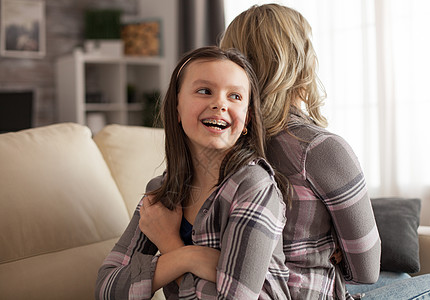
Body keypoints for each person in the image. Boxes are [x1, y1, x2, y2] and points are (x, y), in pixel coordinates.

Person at [220, 3, 430, 300]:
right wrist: (332, 245)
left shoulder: (223, 143)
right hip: (306, 293)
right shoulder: (319, 148)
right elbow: (366, 271)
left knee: (400, 276)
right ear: (300, 62)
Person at [95, 46, 291, 299]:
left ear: (247, 118)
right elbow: (106, 288)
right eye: (204, 91)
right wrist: (190, 257)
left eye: (235, 96)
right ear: (176, 107)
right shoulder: (161, 191)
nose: (220, 103)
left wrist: (169, 243)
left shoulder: (254, 186)